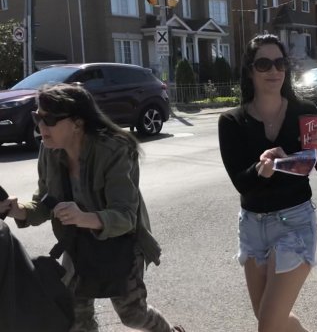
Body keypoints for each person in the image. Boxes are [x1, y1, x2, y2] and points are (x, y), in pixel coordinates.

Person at [0, 84, 184, 332]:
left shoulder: (115, 149)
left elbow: (126, 217)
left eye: (49, 119)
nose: (40, 127)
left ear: (77, 123)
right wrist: (17, 209)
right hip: (77, 244)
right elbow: (43, 203)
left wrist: (83, 217)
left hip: (121, 243)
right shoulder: (49, 150)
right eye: (37, 117)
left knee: (132, 314)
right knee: (74, 318)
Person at [218, 34, 317, 332]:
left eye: (279, 63)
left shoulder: (305, 111)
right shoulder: (232, 121)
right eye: (263, 63)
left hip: (295, 223)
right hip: (253, 228)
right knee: (271, 320)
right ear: (249, 70)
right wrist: (261, 169)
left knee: (268, 326)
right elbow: (241, 183)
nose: (274, 70)